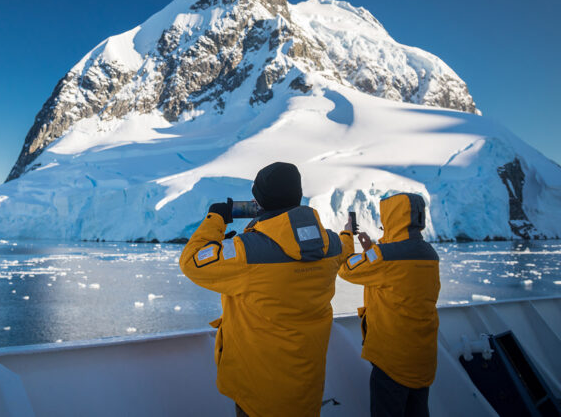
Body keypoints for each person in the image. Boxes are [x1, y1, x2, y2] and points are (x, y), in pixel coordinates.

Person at [179, 162, 353, 417]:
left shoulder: (246, 251)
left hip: (259, 392)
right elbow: (346, 248)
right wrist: (348, 234)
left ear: (259, 203)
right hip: (307, 387)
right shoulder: (331, 246)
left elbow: (192, 261)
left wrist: (215, 219)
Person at [338, 193, 440, 417]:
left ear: (393, 217)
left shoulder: (384, 257)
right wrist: (371, 250)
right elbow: (398, 279)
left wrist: (347, 234)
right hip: (422, 356)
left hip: (392, 361)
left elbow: (346, 268)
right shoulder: (429, 254)